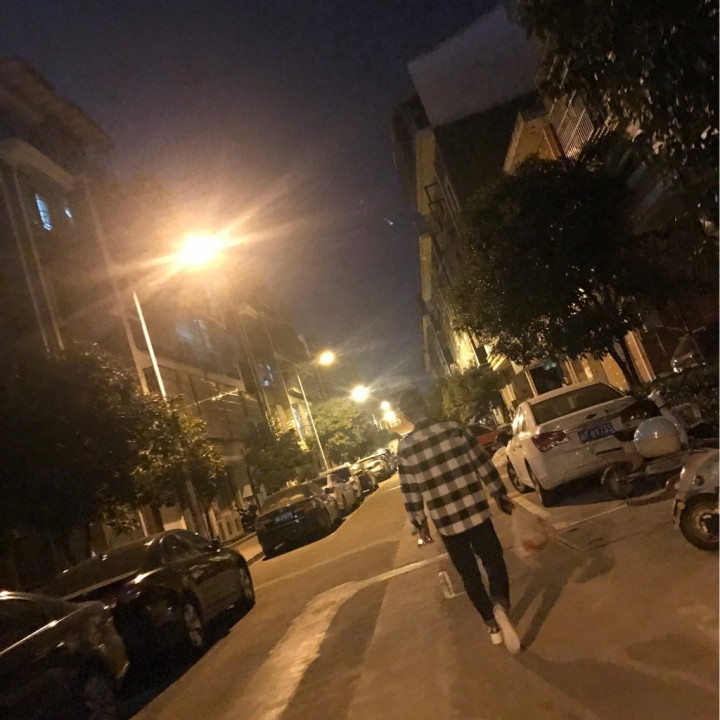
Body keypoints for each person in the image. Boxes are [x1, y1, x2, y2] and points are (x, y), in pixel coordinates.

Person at [396, 388, 520, 653]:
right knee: (493, 561)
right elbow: (482, 464)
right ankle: (500, 604)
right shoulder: (455, 430)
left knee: (468, 574)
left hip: (447, 522)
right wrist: (499, 493)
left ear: (407, 415)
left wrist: (419, 523)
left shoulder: (406, 448)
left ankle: (491, 623)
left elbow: (410, 490)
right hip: (476, 512)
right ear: (427, 405)